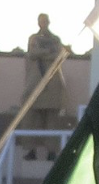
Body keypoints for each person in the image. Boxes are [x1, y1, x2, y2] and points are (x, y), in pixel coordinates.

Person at [23, 15, 70, 155]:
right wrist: (47, 52)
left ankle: (51, 151)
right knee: (32, 120)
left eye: (45, 21)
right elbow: (32, 54)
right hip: (35, 84)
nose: (43, 23)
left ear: (48, 22)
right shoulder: (34, 38)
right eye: (40, 21)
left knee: (52, 121)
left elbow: (59, 55)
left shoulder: (55, 39)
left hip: (52, 85)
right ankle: (31, 150)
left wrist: (44, 53)